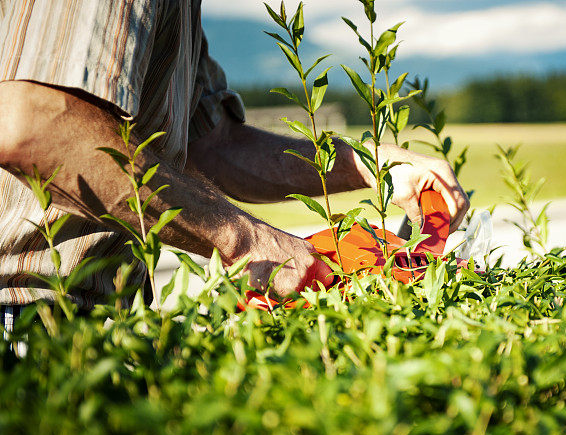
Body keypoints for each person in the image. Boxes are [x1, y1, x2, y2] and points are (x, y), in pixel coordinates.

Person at [0, 1, 469, 320]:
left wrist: (372, 164)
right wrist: (247, 240)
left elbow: (214, 143)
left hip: (103, 315)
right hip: (24, 313)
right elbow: (34, 124)